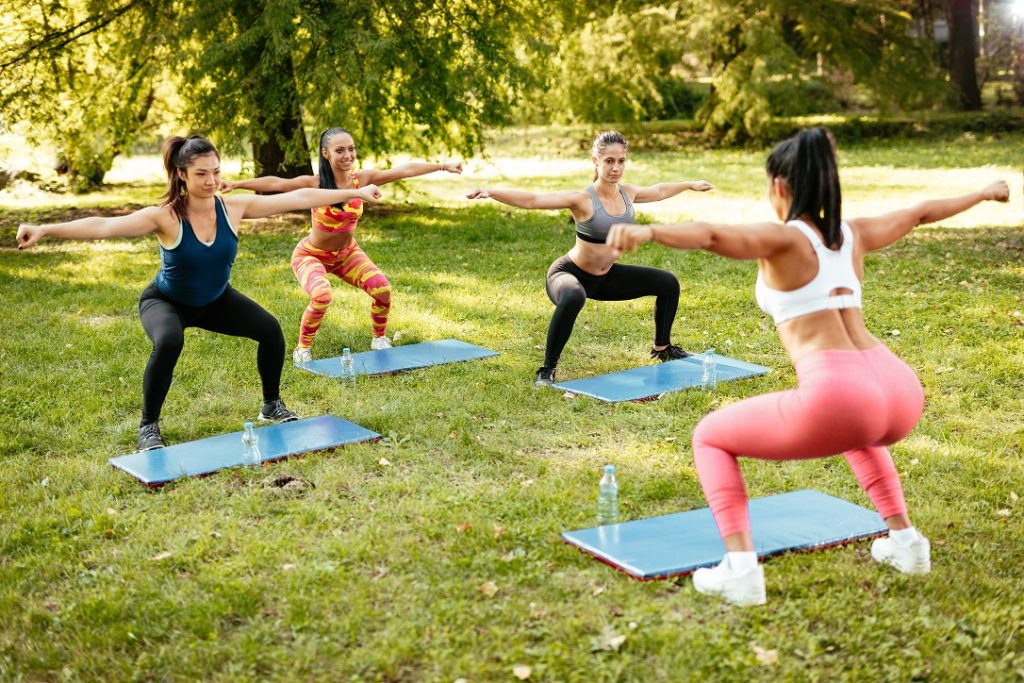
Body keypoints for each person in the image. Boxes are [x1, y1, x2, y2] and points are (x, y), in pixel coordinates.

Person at [606, 127, 1009, 606]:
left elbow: (713, 235)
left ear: (780, 186)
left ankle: (739, 569)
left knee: (709, 436)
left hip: (841, 393)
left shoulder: (785, 240)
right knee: (857, 434)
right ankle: (905, 542)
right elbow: (921, 213)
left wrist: (649, 231)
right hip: (898, 389)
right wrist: (983, 193)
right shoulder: (853, 233)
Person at [16, 135, 383, 451]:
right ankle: (148, 425)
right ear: (181, 174)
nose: (211, 181)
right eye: (201, 174)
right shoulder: (166, 217)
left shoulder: (235, 207)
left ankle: (271, 405)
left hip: (215, 300)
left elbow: (300, 196)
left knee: (270, 330)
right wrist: (46, 230)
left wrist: (355, 190)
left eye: (216, 172)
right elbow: (105, 226)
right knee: (170, 340)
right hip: (166, 302)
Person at [466, 130, 713, 386]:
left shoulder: (628, 193)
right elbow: (533, 200)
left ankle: (662, 348)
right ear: (595, 161)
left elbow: (659, 190)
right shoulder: (583, 199)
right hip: (569, 275)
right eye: (609, 161)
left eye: (621, 161)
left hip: (605, 277)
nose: (616, 167)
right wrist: (491, 191)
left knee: (667, 283)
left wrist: (689, 185)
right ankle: (547, 369)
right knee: (574, 295)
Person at [221, 127, 463, 363]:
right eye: (340, 150)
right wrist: (238, 183)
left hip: (347, 255)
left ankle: (379, 339)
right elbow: (277, 183)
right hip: (312, 255)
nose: (347, 156)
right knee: (322, 295)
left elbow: (404, 170)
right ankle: (302, 348)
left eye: (351, 149)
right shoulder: (317, 183)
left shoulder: (362, 180)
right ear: (326, 154)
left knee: (382, 289)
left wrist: (443, 166)